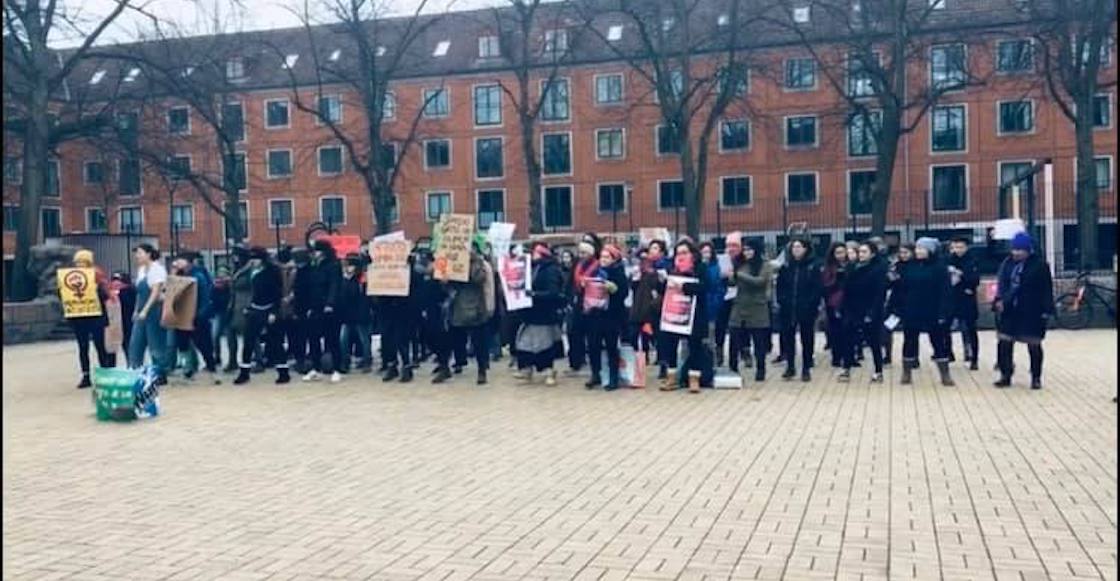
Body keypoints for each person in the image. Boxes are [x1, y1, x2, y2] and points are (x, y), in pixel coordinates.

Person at [993, 232, 1054, 389]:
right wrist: (998, 300)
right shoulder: (1006, 264)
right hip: (1009, 309)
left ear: (1028, 250)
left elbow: (1047, 289)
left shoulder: (1040, 265)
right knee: (1004, 342)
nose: (1017, 253)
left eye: (1021, 250)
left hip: (1031, 310)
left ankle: (1036, 377)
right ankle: (1006, 374)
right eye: (1014, 249)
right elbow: (1001, 284)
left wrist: (1046, 310)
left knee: (1033, 344)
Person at [897, 239, 954, 386]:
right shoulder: (909, 266)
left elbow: (945, 291)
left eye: (922, 249)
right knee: (909, 341)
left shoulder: (939, 267)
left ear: (931, 250)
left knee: (938, 342)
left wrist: (944, 312)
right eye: (917, 248)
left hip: (932, 310)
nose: (918, 251)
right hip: (911, 309)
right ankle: (906, 372)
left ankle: (945, 374)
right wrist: (899, 308)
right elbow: (902, 289)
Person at [660, 239, 713, 393]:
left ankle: (694, 379)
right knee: (670, 344)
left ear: (692, 253)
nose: (681, 256)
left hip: (694, 314)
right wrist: (662, 282)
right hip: (674, 312)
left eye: (684, 252)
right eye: (678, 253)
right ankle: (671, 377)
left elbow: (704, 287)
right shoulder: (672, 268)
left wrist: (683, 286)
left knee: (695, 346)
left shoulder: (700, 268)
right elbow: (664, 291)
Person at [441, 238, 496, 385]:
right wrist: (445, 279)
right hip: (456, 307)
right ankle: (446, 367)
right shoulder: (452, 261)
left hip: (475, 308)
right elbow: (447, 286)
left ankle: (482, 370)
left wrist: (467, 266)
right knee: (450, 340)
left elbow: (479, 279)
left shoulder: (479, 263)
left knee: (478, 342)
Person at [234, 247, 289, 385]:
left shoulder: (272, 272)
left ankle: (283, 372)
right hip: (254, 309)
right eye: (252, 259)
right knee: (248, 341)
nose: (254, 261)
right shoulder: (250, 272)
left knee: (276, 342)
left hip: (269, 308)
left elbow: (277, 293)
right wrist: (249, 307)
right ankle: (244, 373)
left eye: (257, 259)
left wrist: (274, 312)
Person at [514, 242, 565, 386]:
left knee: (544, 344)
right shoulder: (530, 268)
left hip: (544, 313)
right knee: (525, 343)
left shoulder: (550, 270)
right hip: (530, 313)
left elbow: (553, 292)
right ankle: (526, 369)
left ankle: (549, 371)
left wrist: (534, 294)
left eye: (535, 253)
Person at [839, 241, 888, 382]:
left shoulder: (878, 269)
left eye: (864, 252)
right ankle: (846, 368)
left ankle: (878, 370)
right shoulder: (852, 267)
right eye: (860, 251)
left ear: (872, 254)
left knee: (873, 341)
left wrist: (872, 312)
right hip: (852, 309)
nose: (861, 254)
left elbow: (880, 293)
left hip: (869, 309)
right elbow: (846, 289)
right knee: (848, 339)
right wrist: (843, 307)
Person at [775, 238, 822, 382]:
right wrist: (782, 300)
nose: (796, 250)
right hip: (788, 308)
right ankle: (790, 366)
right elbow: (780, 287)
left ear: (805, 249)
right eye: (794, 247)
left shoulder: (812, 266)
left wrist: (811, 304)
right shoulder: (786, 266)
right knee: (788, 338)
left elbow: (817, 288)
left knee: (807, 338)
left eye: (799, 247)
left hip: (806, 308)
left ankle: (806, 367)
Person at [170, 252, 221, 384]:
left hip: (197, 317)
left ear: (188, 262)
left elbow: (204, 297)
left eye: (180, 260)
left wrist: (199, 315)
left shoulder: (198, 276)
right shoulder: (179, 275)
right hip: (182, 316)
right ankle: (187, 370)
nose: (177, 263)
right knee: (183, 344)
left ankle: (212, 370)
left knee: (204, 345)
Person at [584, 244, 629, 390]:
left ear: (614, 259)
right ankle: (595, 374)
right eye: (602, 257)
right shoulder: (595, 271)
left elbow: (624, 293)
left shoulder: (618, 273)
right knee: (593, 346)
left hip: (611, 315)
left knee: (611, 347)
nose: (603, 260)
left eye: (607, 257)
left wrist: (614, 289)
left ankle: (613, 377)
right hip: (595, 313)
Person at [729, 239, 774, 382]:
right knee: (734, 338)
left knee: (759, 341)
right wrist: (731, 276)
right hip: (739, 306)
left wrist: (739, 275)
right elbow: (732, 282)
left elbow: (760, 282)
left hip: (757, 307)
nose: (747, 252)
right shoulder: (740, 264)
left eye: (750, 250)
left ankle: (761, 369)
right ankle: (732, 367)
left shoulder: (765, 265)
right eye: (745, 250)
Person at [67, 249, 113, 388]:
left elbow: (107, 294)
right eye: (77, 262)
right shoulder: (71, 276)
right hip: (79, 316)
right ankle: (86, 375)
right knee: (83, 347)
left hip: (96, 316)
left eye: (82, 262)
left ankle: (105, 373)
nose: (79, 265)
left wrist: (97, 289)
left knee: (100, 345)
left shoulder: (97, 275)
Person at [301, 239, 343, 383]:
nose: (315, 254)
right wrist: (309, 306)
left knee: (332, 339)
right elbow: (311, 288)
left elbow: (334, 285)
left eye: (317, 251)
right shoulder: (314, 266)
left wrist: (330, 303)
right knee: (313, 339)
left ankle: (337, 369)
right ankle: (315, 368)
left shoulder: (333, 265)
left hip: (329, 308)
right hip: (315, 307)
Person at [127, 244, 169, 383]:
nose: (137, 256)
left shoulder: (157, 269)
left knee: (155, 343)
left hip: (154, 310)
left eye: (140, 253)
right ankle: (134, 370)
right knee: (135, 343)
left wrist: (145, 310)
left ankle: (160, 373)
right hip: (141, 311)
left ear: (149, 254)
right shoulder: (141, 270)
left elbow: (155, 292)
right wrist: (136, 310)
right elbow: (139, 294)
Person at [567, 236, 600, 375]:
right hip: (578, 302)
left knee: (592, 337)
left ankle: (595, 368)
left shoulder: (597, 265)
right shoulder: (577, 265)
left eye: (584, 253)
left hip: (592, 305)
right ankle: (576, 363)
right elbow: (570, 282)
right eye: (580, 252)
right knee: (574, 333)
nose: (581, 255)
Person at [628, 241, 664, 365]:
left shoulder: (656, 272)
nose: (644, 261)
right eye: (641, 259)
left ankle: (647, 356)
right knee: (633, 334)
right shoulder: (637, 272)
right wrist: (635, 278)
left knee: (647, 335)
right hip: (637, 307)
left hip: (650, 307)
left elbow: (658, 288)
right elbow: (632, 287)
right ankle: (639, 356)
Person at [947, 237, 981, 370]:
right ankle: (948, 353)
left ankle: (973, 357)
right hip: (951, 298)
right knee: (945, 326)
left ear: (966, 247)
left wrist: (961, 274)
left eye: (960, 247)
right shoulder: (948, 260)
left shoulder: (972, 260)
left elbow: (975, 280)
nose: (958, 250)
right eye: (955, 247)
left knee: (970, 328)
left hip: (967, 299)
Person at [338, 254, 373, 375]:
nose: (347, 268)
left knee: (364, 339)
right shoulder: (345, 279)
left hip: (360, 313)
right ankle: (345, 361)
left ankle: (367, 361)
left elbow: (356, 295)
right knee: (343, 339)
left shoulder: (362, 280)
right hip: (347, 314)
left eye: (349, 265)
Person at [714, 233, 742, 369]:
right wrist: (722, 275)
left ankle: (740, 354)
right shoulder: (721, 260)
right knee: (720, 326)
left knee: (737, 329)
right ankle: (719, 351)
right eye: (729, 245)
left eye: (734, 245)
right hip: (723, 297)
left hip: (739, 298)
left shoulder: (743, 260)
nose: (731, 249)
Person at [884, 243, 914, 366]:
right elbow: (888, 284)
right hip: (895, 303)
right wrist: (890, 278)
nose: (903, 255)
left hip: (911, 303)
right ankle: (887, 355)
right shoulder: (896, 266)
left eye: (906, 253)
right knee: (887, 329)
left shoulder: (915, 266)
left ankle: (912, 357)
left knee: (910, 332)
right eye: (901, 253)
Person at [821, 242, 849, 367]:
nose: (840, 255)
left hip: (849, 301)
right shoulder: (829, 267)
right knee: (835, 330)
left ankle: (848, 356)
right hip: (833, 302)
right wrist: (836, 279)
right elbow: (825, 285)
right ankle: (836, 356)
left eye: (842, 252)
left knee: (848, 330)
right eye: (837, 253)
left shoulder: (850, 265)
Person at [698, 242, 726, 366]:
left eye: (708, 252)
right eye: (703, 252)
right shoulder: (698, 266)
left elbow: (716, 285)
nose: (706, 255)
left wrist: (716, 301)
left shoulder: (715, 267)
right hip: (700, 304)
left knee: (710, 336)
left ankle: (711, 362)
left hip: (711, 305)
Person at [210, 266, 232, 369]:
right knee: (215, 336)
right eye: (220, 273)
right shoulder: (214, 286)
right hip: (218, 313)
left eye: (224, 273)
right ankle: (217, 356)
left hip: (228, 313)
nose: (222, 275)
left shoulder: (230, 286)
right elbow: (212, 298)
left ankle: (231, 359)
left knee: (229, 337)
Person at [111, 272, 136, 353]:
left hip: (129, 322)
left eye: (118, 281)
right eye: (114, 281)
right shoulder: (111, 293)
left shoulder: (130, 291)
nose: (115, 283)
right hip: (116, 324)